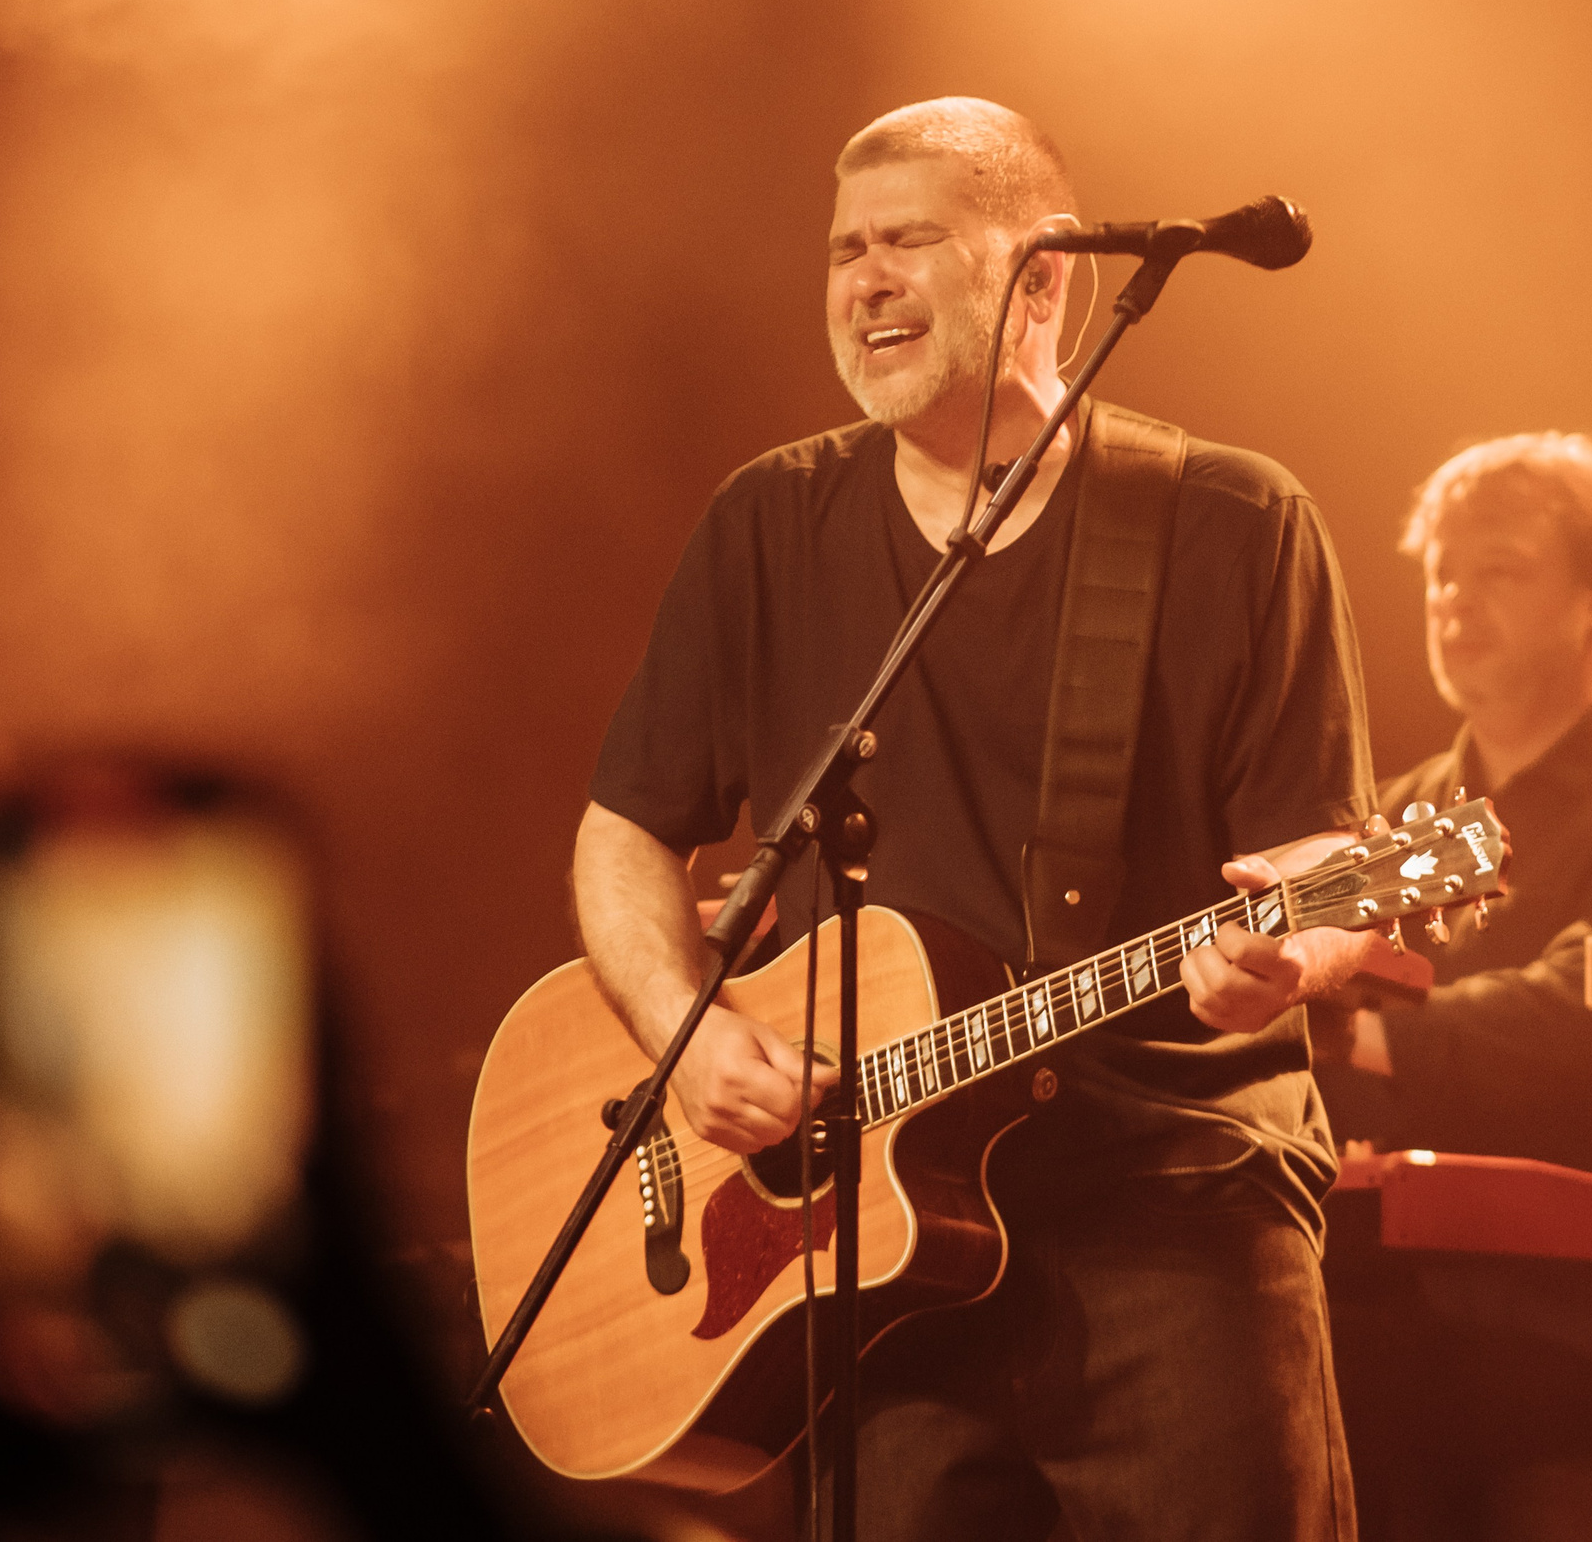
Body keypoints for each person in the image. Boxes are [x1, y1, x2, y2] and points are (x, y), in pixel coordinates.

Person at [574, 97, 1424, 1542]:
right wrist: (687, 1028)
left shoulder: (1232, 520)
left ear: (1046, 283)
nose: (865, 280)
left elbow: (1329, 855)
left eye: (910, 239)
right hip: (875, 1246)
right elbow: (624, 829)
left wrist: (1287, 954)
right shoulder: (768, 524)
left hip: (1172, 1200)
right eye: (845, 249)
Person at [1315, 432, 1592, 1541]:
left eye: (1501, 570)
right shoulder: (1396, 812)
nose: (1456, 602)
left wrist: (1363, 1036)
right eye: (1441, 574)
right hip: (1398, 1328)